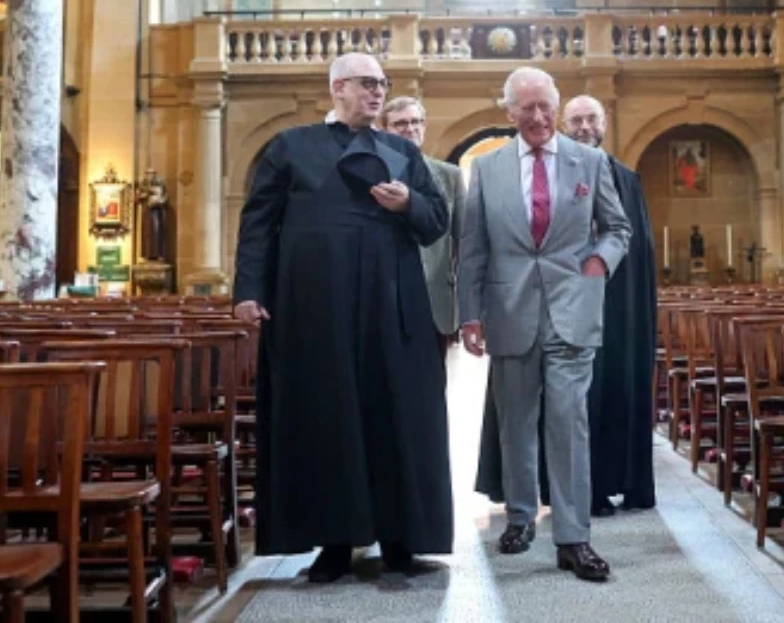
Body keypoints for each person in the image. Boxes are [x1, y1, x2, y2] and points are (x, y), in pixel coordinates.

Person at [232, 52, 452, 583]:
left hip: (391, 307)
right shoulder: (291, 147)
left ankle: (402, 540)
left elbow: (436, 220)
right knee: (326, 418)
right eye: (367, 84)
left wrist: (407, 207)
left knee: (396, 413)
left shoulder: (401, 151)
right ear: (337, 88)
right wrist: (248, 290)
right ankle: (333, 542)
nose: (378, 92)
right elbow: (259, 222)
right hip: (314, 308)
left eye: (382, 84)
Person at [459, 68, 631, 582]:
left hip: (572, 310)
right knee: (515, 423)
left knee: (568, 423)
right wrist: (469, 313)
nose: (536, 118)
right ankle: (518, 516)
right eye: (525, 108)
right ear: (508, 111)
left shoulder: (590, 161)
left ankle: (574, 537)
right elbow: (473, 248)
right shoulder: (486, 170)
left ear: (555, 108)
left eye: (543, 107)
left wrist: (600, 262)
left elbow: (617, 227)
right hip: (509, 313)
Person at [475, 95, 659, 515]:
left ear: (605, 122)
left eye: (591, 118)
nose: (584, 127)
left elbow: (635, 245)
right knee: (544, 404)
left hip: (613, 306)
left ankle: (618, 480)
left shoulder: (625, 179)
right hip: (550, 303)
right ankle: (550, 491)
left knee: (608, 391)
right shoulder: (542, 168)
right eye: (575, 120)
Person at [381, 95, 464, 351]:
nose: (410, 128)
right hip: (384, 299)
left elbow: (465, 240)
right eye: (400, 123)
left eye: (416, 122)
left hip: (434, 299)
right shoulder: (373, 174)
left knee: (434, 384)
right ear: (384, 130)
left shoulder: (450, 176)